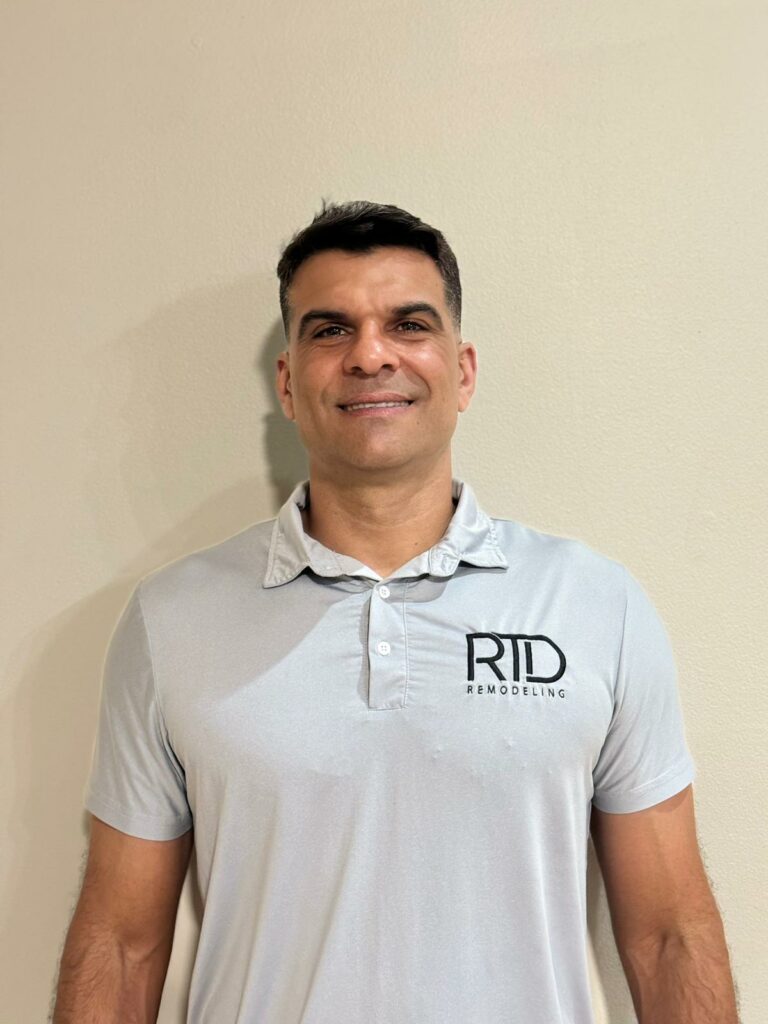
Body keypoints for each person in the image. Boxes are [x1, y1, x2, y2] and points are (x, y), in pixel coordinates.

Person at [53, 200, 739, 1023]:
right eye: (331, 330)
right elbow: (120, 945)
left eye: (409, 325)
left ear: (464, 371)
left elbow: (669, 937)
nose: (371, 355)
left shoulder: (595, 607)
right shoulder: (172, 621)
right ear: (287, 383)